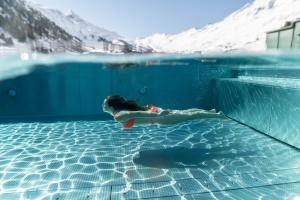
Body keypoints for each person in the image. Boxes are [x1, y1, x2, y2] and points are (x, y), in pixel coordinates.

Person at [102, 95, 226, 129]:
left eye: (104, 102)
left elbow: (137, 114)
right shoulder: (120, 112)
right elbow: (136, 113)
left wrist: (158, 115)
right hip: (155, 112)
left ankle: (218, 115)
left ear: (111, 105)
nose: (103, 104)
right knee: (187, 112)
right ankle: (211, 111)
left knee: (191, 116)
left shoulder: (118, 116)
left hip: (159, 118)